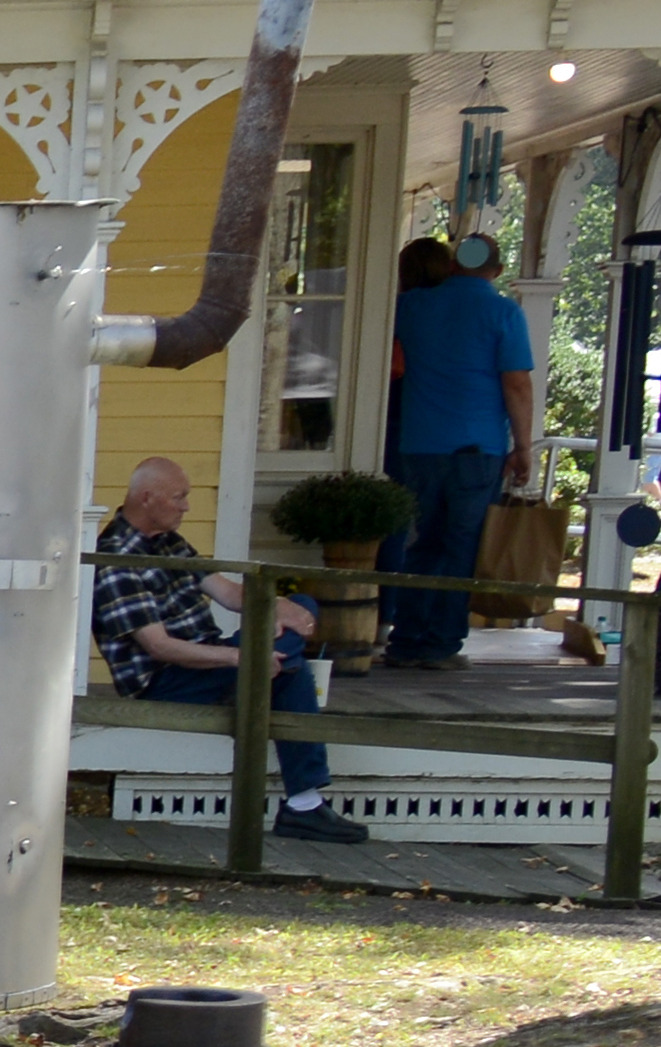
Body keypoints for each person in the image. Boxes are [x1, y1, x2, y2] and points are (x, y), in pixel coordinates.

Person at [90, 453, 342, 843]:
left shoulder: (168, 542)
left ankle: (303, 803)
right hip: (166, 680)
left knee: (300, 608)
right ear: (146, 498)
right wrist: (243, 658)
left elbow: (228, 593)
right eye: (179, 497)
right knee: (291, 673)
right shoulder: (117, 559)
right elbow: (159, 648)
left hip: (209, 659)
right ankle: (304, 805)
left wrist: (276, 607)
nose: (187, 506)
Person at [379, 231, 541, 670]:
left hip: (416, 446)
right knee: (462, 548)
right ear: (499, 270)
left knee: (421, 547)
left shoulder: (411, 308)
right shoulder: (504, 312)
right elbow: (516, 383)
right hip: (476, 448)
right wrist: (524, 447)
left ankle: (406, 639)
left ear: (453, 265)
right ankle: (441, 644)